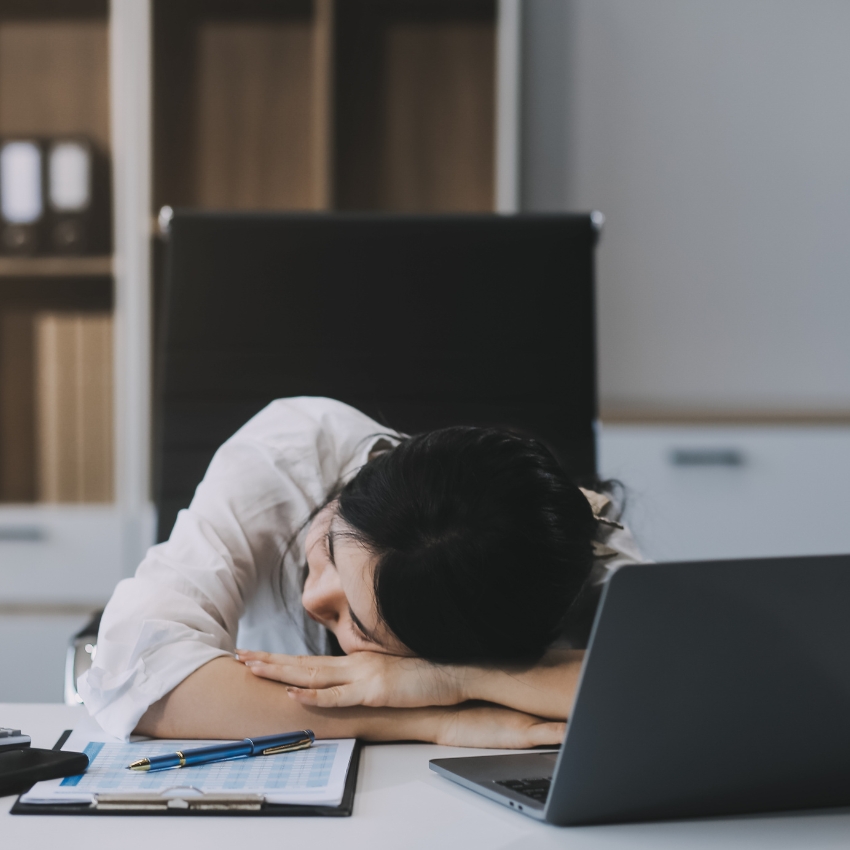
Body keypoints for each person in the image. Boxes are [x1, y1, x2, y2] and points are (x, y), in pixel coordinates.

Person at [80, 397, 644, 747]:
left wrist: (455, 681)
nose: (313, 597)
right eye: (329, 541)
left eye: (360, 624)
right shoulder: (293, 450)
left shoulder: (567, 555)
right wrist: (420, 720)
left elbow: (684, 684)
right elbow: (137, 678)